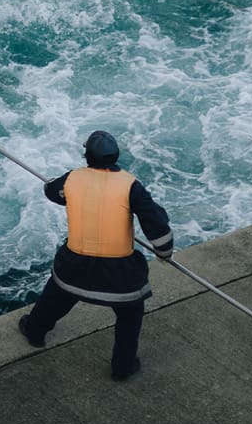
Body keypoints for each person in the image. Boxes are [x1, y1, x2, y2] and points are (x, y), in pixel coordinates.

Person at [18, 129, 174, 380]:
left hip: (74, 269)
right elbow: (156, 224)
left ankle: (35, 332)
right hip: (119, 276)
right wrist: (164, 253)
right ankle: (123, 367)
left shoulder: (72, 179)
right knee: (130, 315)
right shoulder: (131, 185)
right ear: (116, 156)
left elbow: (51, 192)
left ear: (87, 156)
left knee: (57, 294)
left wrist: (68, 190)